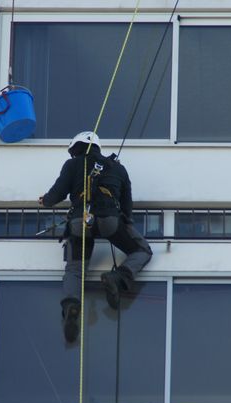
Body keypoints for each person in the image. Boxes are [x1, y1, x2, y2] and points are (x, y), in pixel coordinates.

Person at [38, 131, 153, 343]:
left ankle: (72, 305)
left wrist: (45, 200)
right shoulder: (118, 168)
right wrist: (124, 225)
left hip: (79, 222)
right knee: (142, 250)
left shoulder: (72, 165)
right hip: (111, 220)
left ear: (78, 148)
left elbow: (56, 194)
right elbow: (127, 207)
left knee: (75, 269)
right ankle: (117, 277)